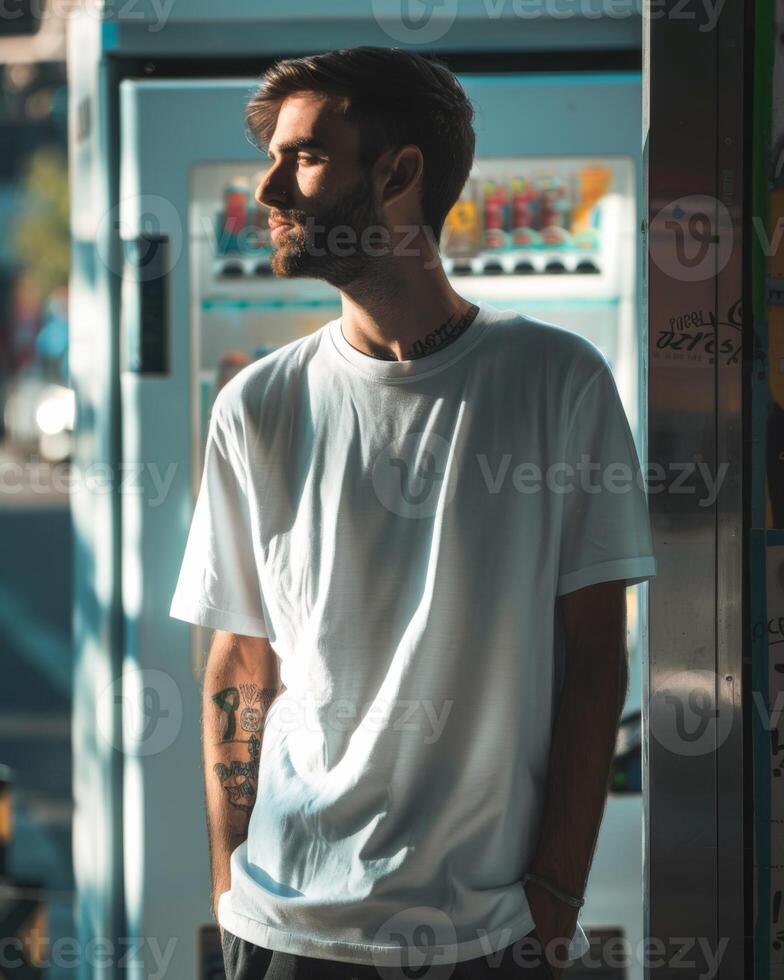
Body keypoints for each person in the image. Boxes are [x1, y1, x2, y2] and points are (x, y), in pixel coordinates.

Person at [169, 46, 657, 980]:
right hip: (283, 927)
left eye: (305, 156)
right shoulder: (257, 406)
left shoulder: (558, 383)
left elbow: (599, 653)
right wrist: (229, 892)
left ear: (399, 174)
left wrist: (554, 900)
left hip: (489, 934)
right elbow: (240, 662)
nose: (270, 186)